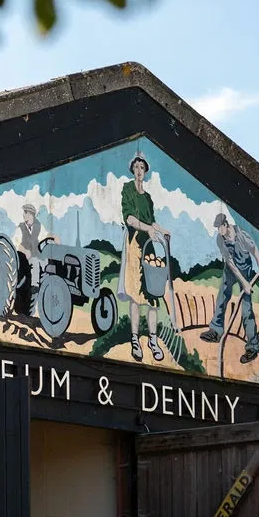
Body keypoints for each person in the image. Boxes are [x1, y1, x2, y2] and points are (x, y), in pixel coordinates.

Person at [119, 152, 170, 362]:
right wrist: (148, 228)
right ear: (133, 170)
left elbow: (153, 221)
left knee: (152, 296)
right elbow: (129, 218)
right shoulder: (128, 189)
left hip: (148, 248)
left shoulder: (148, 198)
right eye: (137, 167)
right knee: (135, 295)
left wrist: (163, 231)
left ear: (146, 172)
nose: (140, 171)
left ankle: (153, 339)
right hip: (133, 246)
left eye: (143, 168)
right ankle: (134, 339)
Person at [199, 212, 259, 365]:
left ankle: (253, 348)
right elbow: (229, 262)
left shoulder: (241, 235)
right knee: (222, 294)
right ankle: (216, 331)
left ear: (225, 225)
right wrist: (243, 283)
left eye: (219, 228)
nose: (218, 231)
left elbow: (253, 248)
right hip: (231, 269)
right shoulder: (220, 239)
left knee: (246, 309)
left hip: (245, 268)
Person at [12, 202, 58, 294]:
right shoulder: (20, 228)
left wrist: (54, 237)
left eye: (25, 212)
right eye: (24, 212)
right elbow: (16, 243)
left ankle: (48, 286)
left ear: (30, 214)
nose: (23, 215)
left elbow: (45, 235)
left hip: (37, 254)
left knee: (46, 262)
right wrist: (24, 250)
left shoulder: (38, 226)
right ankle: (35, 286)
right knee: (35, 262)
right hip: (24, 258)